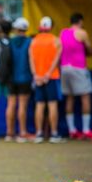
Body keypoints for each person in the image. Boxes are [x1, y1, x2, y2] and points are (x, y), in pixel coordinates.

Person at [60, 13, 92, 141]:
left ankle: (72, 130)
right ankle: (86, 130)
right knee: (85, 97)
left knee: (69, 98)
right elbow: (89, 51)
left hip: (65, 68)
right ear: (80, 21)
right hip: (78, 67)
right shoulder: (82, 33)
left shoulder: (63, 33)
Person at [29, 16, 63, 144]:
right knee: (52, 104)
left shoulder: (34, 41)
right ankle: (54, 134)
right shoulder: (56, 40)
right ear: (51, 27)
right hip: (52, 77)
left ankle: (39, 133)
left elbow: (31, 59)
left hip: (38, 78)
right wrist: (48, 74)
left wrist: (36, 75)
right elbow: (56, 59)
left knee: (39, 105)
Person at [6, 17, 34, 143]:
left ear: (16, 29)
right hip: (25, 77)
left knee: (11, 104)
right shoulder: (30, 41)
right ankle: (22, 132)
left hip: (11, 78)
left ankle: (9, 133)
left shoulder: (10, 42)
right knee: (22, 105)